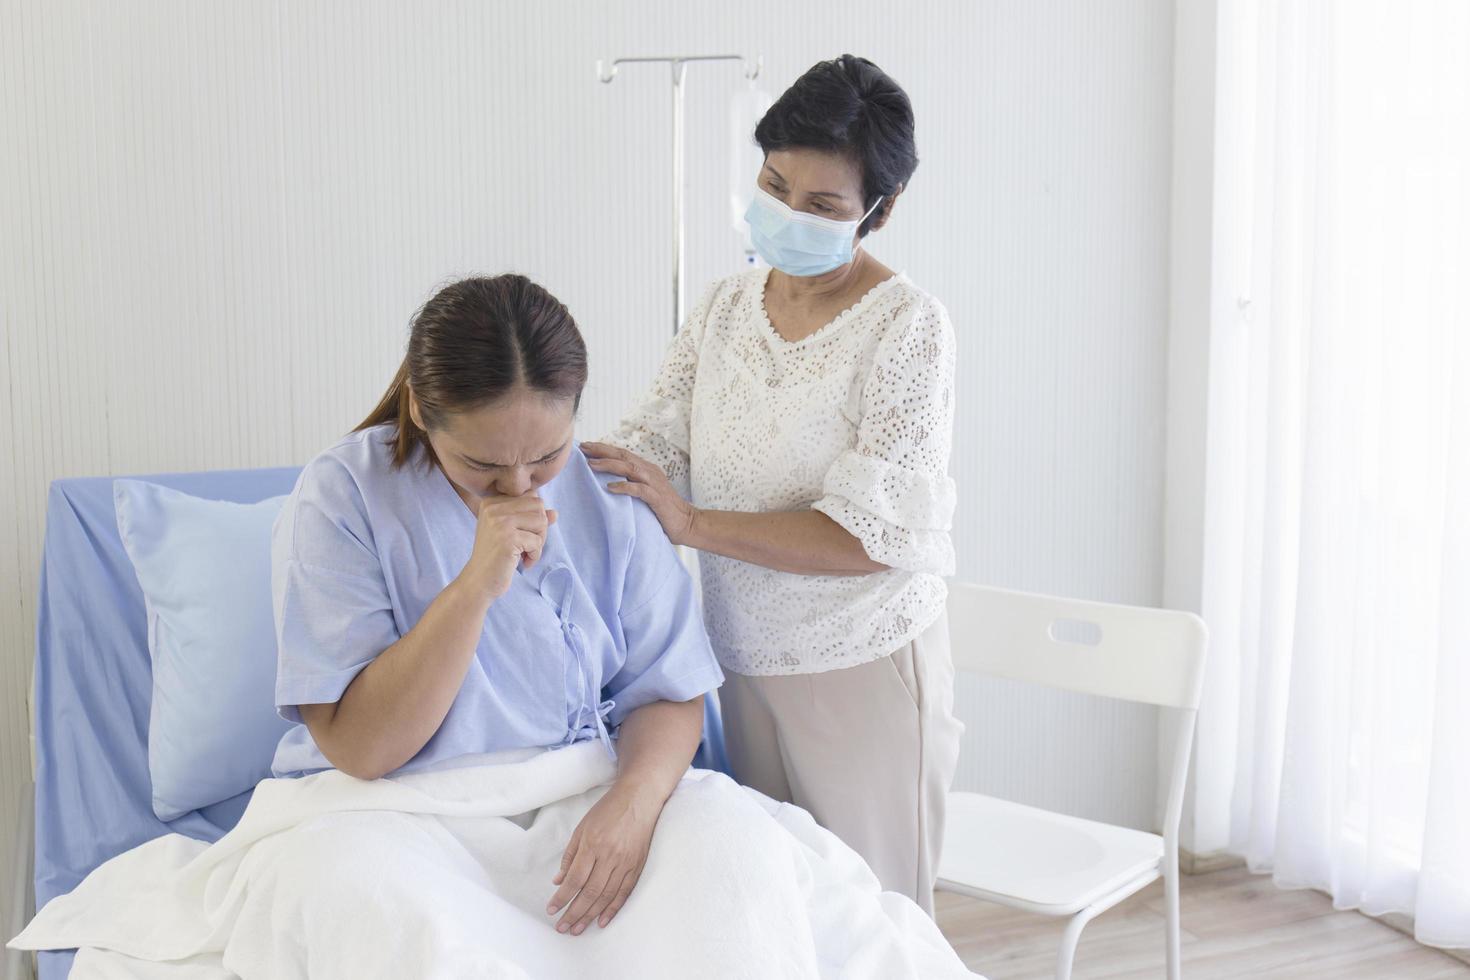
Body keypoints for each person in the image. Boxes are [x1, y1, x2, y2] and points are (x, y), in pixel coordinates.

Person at [586, 54, 963, 915]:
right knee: (781, 916)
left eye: (823, 205)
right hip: (741, 661)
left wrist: (689, 523)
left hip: (861, 668)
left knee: (875, 924)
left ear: (879, 211)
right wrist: (539, 472)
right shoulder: (724, 306)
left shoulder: (908, 328)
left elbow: (871, 538)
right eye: (775, 184)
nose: (791, 214)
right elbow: (652, 441)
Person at [270, 273, 724, 936]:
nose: (518, 486)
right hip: (395, 812)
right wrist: (474, 586)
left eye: (546, 457)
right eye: (483, 466)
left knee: (731, 868)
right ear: (423, 412)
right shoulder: (343, 495)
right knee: (378, 914)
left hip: (585, 791)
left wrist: (632, 805)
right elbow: (362, 749)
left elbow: (669, 687)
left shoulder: (608, 493)